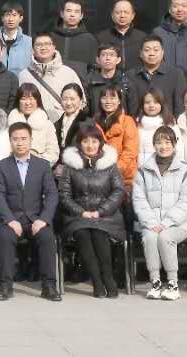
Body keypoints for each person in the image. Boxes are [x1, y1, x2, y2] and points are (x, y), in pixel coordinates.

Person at [0, 122, 61, 301]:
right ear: (10, 141)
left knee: (47, 237)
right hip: (11, 219)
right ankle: (5, 286)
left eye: (23, 139)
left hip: (36, 219)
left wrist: (43, 219)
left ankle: (49, 286)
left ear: (31, 140)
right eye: (15, 139)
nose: (20, 143)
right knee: (5, 237)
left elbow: (52, 194)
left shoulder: (43, 165)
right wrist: (9, 219)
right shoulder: (1, 166)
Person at [58, 125, 126, 298]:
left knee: (99, 233)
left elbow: (118, 191)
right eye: (85, 141)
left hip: (106, 215)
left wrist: (100, 211)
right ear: (79, 143)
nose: (90, 145)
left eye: (94, 141)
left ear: (100, 143)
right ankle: (97, 282)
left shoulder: (110, 165)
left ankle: (108, 278)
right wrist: (81, 212)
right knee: (82, 234)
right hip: (78, 216)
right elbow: (64, 195)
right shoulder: (70, 166)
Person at [132, 126, 187, 301]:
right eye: (159, 142)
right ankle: (155, 282)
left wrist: (166, 222)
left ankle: (173, 283)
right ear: (153, 145)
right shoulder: (143, 170)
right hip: (152, 222)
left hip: (179, 223)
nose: (163, 146)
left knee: (165, 237)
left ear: (175, 144)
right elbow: (139, 200)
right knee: (150, 237)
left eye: (168, 142)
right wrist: (151, 223)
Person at [16, 32, 83, 122]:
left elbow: (82, 102)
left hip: (63, 125)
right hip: (33, 125)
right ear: (33, 49)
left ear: (54, 47)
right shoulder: (24, 75)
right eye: (38, 45)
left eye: (47, 44)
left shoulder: (68, 73)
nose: (43, 48)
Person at [94, 85, 139, 192]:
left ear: (119, 101)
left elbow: (130, 151)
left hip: (124, 178)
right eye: (104, 98)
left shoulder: (127, 121)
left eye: (112, 98)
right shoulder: (94, 122)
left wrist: (114, 170)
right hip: (99, 178)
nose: (108, 101)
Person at [128, 35, 186, 116]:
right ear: (140, 53)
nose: (151, 53)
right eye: (147, 50)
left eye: (156, 50)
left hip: (167, 122)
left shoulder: (176, 74)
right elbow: (126, 105)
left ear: (162, 53)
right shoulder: (130, 76)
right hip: (137, 122)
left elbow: (180, 106)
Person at [6, 84, 60, 165]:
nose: (27, 103)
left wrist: (36, 162)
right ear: (18, 101)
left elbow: (53, 153)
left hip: (39, 168)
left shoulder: (47, 125)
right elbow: (2, 151)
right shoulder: (8, 123)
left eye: (31, 99)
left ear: (37, 101)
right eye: (23, 99)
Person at [46, 0, 99, 72]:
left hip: (81, 79)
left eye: (76, 12)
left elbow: (94, 67)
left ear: (81, 16)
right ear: (62, 14)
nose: (72, 15)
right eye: (69, 11)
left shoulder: (90, 39)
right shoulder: (49, 37)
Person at [95, 0, 147, 69]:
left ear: (133, 15)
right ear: (112, 15)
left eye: (126, 12)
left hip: (135, 76)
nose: (122, 15)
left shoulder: (142, 37)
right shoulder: (100, 37)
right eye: (118, 12)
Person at [136, 90, 179, 167]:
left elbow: (179, 148)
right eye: (147, 102)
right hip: (141, 168)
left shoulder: (170, 123)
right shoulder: (136, 124)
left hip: (167, 167)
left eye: (155, 102)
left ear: (161, 104)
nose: (151, 105)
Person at [84, 43, 129, 117]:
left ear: (118, 60)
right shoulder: (89, 82)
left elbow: (132, 110)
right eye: (104, 55)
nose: (108, 58)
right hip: (95, 122)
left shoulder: (125, 82)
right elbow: (85, 109)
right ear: (98, 59)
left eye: (112, 55)